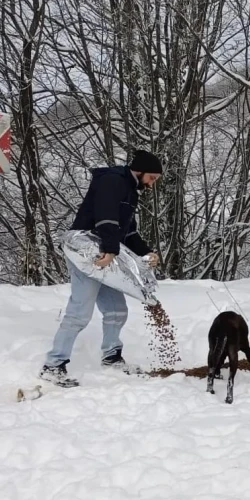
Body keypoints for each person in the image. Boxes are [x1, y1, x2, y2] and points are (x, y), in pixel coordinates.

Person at [40, 150, 163, 387]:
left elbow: (127, 231)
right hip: (86, 250)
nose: (152, 184)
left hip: (104, 250)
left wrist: (145, 251)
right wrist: (110, 249)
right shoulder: (112, 180)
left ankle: (111, 356)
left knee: (117, 310)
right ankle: (53, 366)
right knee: (79, 312)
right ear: (140, 171)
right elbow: (105, 217)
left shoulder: (129, 190)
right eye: (152, 178)